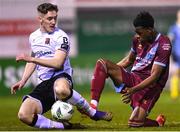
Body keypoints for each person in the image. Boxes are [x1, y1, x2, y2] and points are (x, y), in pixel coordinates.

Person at [10, 3, 112, 130]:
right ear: (40, 19)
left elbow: (58, 63)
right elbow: (32, 61)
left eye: (55, 18)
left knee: (62, 90)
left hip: (61, 76)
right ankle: (65, 126)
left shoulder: (61, 36)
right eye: (49, 18)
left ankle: (92, 113)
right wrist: (23, 80)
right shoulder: (33, 37)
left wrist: (30, 58)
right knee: (24, 115)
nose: (53, 22)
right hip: (44, 84)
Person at [90, 11, 171, 127]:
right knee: (102, 64)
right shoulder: (137, 40)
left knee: (134, 122)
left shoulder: (164, 44)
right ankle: (92, 107)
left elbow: (154, 77)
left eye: (139, 33)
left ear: (149, 30)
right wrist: (107, 72)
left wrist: (133, 90)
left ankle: (158, 122)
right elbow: (128, 60)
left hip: (150, 86)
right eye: (136, 32)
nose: (137, 36)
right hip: (133, 78)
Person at [167, 9, 180, 100]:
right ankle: (174, 94)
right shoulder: (174, 28)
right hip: (177, 54)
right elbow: (170, 40)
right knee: (175, 73)